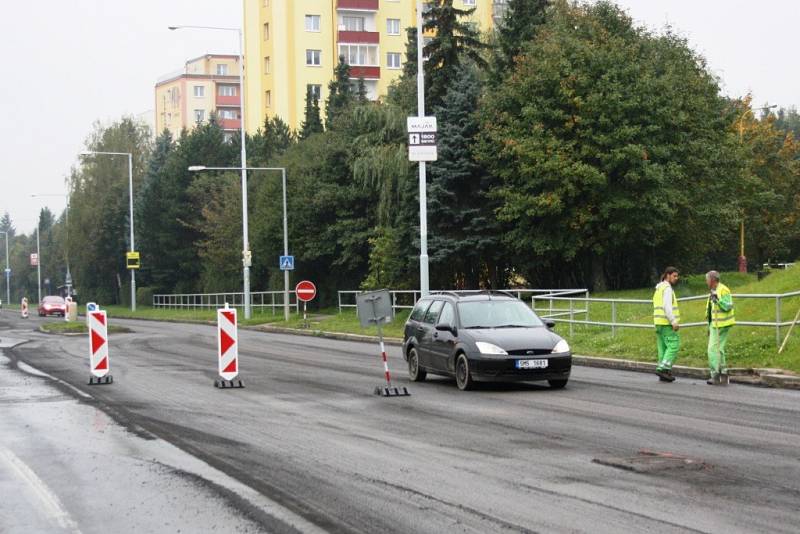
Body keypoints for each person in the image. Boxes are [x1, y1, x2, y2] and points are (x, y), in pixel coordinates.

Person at [705, 270, 735, 385]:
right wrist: (709, 326)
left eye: (707, 280)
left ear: (712, 280)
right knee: (719, 349)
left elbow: (728, 305)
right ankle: (723, 372)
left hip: (722, 325)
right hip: (715, 325)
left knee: (712, 349)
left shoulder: (723, 289)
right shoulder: (714, 290)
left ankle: (715, 374)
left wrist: (718, 300)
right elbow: (710, 311)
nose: (706, 282)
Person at [653, 267, 681, 382]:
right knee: (674, 345)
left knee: (663, 347)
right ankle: (663, 368)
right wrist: (673, 321)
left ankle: (664, 371)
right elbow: (667, 307)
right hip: (666, 323)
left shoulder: (659, 288)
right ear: (667, 275)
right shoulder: (667, 289)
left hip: (658, 323)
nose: (676, 278)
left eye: (677, 276)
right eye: (674, 276)